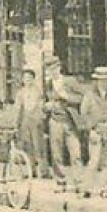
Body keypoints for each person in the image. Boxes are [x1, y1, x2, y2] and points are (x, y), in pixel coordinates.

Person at [78, 67, 107, 198]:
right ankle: (86, 188)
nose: (104, 83)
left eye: (106, 81)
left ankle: (104, 187)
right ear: (96, 81)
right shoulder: (89, 95)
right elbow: (84, 114)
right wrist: (91, 128)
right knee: (94, 160)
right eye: (101, 80)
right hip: (95, 131)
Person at [45, 61, 84, 189]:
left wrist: (66, 96)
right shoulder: (48, 84)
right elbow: (44, 101)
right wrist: (46, 106)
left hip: (70, 121)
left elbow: (82, 97)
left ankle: (78, 181)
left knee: (75, 152)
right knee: (56, 153)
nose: (52, 72)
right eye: (50, 70)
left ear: (59, 68)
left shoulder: (70, 81)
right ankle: (60, 181)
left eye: (54, 68)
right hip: (55, 121)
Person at [12, 68, 46, 176]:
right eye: (25, 78)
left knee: (38, 146)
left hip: (36, 121)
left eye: (30, 78)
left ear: (33, 79)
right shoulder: (20, 93)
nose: (27, 80)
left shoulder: (38, 92)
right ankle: (31, 171)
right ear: (23, 80)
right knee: (27, 146)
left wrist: (39, 118)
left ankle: (44, 171)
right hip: (25, 121)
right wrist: (15, 123)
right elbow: (17, 109)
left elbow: (41, 107)